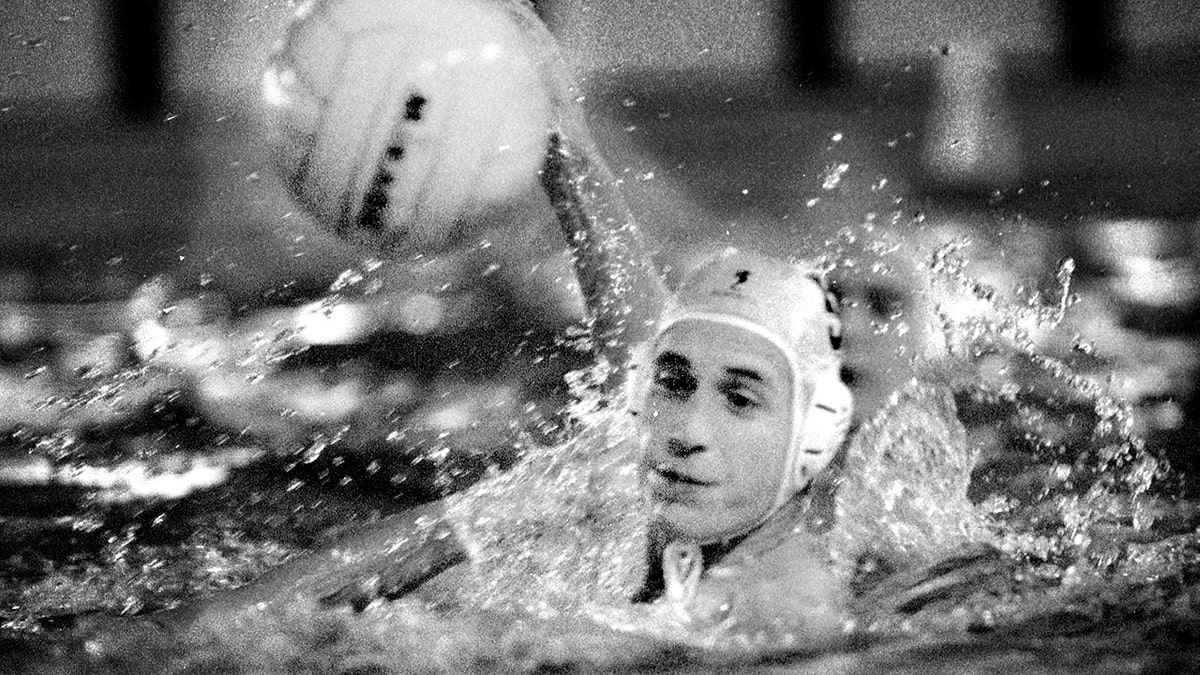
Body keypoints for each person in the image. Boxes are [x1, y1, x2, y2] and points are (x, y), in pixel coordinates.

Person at [149, 128, 855, 643]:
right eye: (675, 384)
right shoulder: (619, 472)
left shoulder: (783, 611)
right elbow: (408, 544)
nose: (689, 431)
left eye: (740, 397)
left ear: (812, 432)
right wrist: (178, 636)